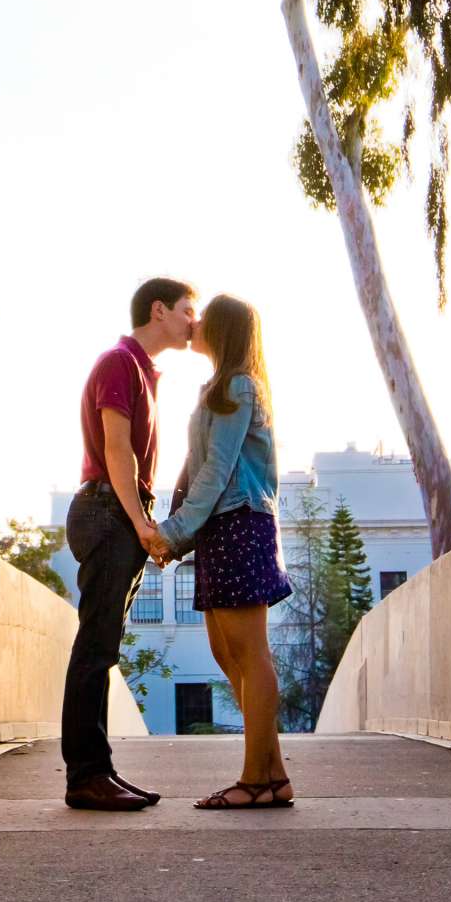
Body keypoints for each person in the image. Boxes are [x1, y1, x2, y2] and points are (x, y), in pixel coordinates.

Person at [60, 277, 197, 813]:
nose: (193, 322)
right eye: (188, 311)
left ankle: (98, 772)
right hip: (107, 511)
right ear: (159, 310)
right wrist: (142, 523)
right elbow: (119, 452)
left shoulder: (141, 371)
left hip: (116, 512)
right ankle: (86, 776)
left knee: (102, 646)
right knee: (95, 647)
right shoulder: (119, 363)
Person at [158, 293, 294, 809]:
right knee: (225, 651)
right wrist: (177, 532)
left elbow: (217, 470)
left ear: (224, 331)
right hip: (219, 527)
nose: (195, 323)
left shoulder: (239, 386)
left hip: (240, 522)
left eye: (204, 318)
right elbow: (194, 469)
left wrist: (173, 532)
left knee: (250, 655)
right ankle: (274, 774)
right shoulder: (218, 386)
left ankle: (254, 780)